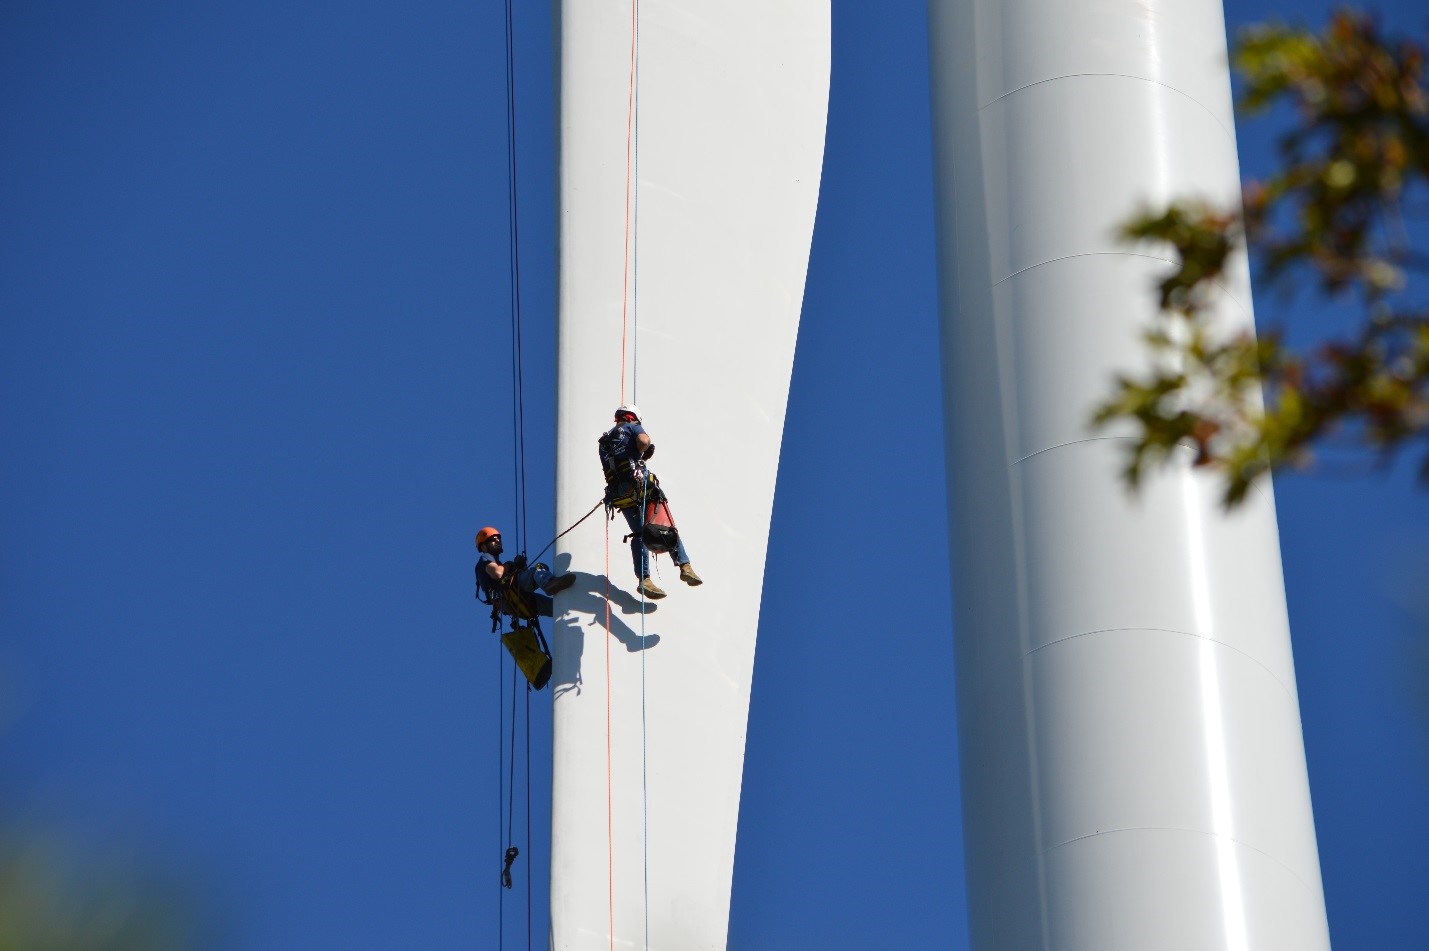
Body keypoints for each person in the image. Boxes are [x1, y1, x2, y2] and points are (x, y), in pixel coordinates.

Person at [598, 405, 701, 599]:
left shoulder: (603, 441)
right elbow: (644, 441)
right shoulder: (632, 426)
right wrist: (642, 451)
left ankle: (644, 580)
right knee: (665, 523)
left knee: (639, 534)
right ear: (633, 418)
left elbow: (615, 463)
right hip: (639, 486)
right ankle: (684, 565)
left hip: (620, 494)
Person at [474, 526, 575, 618]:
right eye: (492, 539)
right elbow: (497, 573)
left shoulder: (498, 563)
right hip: (513, 594)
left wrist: (519, 568)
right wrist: (512, 565)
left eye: (498, 538)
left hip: (519, 601)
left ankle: (573, 609)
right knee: (539, 568)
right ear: (483, 547)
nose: (497, 541)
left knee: (559, 608)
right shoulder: (485, 558)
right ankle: (548, 583)